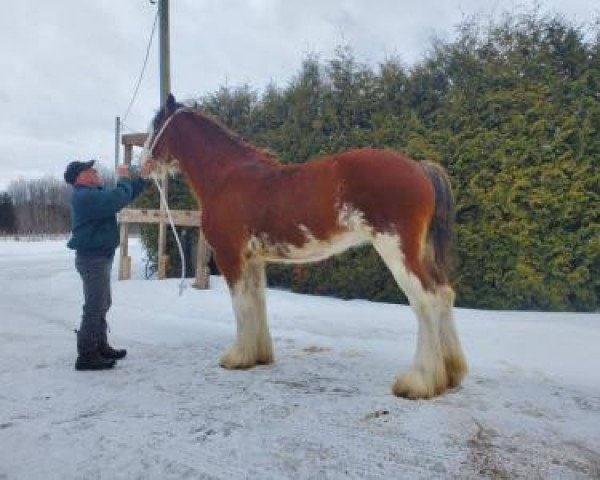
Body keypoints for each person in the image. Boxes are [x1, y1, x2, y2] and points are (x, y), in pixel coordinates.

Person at [64, 160, 149, 370]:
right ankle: (86, 355)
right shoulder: (84, 196)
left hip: (99, 257)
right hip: (92, 259)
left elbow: (123, 196)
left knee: (102, 303)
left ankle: (99, 345)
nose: (95, 171)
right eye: (90, 169)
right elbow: (117, 197)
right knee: (94, 306)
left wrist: (142, 179)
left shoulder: (93, 194)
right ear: (80, 177)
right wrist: (123, 178)